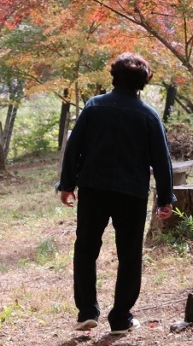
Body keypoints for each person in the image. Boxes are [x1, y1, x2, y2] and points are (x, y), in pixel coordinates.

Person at [56, 52, 175, 335]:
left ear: (113, 76)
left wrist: (67, 184)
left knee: (85, 248)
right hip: (131, 193)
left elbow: (74, 148)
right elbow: (162, 159)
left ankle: (87, 312)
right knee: (129, 255)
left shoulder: (94, 107)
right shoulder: (148, 115)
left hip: (93, 188)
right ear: (143, 81)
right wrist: (166, 197)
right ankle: (121, 318)